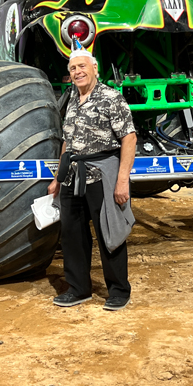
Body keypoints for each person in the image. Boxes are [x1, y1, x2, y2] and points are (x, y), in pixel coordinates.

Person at [48, 41, 137, 311]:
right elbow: (68, 142)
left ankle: (119, 291)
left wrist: (122, 181)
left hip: (102, 174)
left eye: (82, 66)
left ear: (94, 68)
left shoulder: (111, 98)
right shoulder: (72, 101)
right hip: (74, 175)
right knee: (72, 235)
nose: (77, 72)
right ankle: (78, 289)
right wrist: (58, 178)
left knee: (109, 232)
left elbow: (129, 139)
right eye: (73, 68)